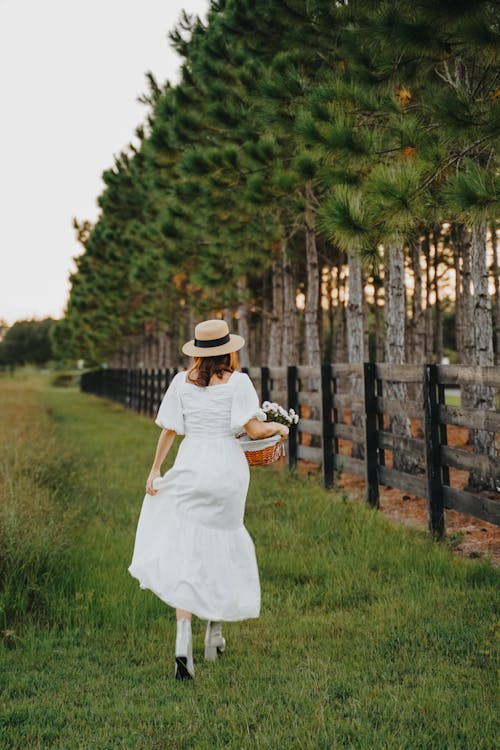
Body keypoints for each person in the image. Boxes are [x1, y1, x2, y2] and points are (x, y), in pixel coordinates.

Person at [128, 319, 289, 680]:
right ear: (228, 350)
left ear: (199, 352)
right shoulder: (239, 383)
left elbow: (169, 429)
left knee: (188, 552)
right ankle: (213, 635)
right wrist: (280, 427)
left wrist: (155, 471)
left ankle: (182, 640)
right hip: (228, 472)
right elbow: (255, 430)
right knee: (220, 545)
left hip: (191, 465)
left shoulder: (180, 383)